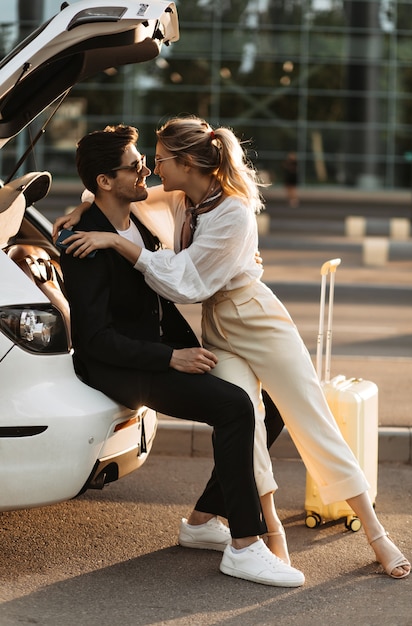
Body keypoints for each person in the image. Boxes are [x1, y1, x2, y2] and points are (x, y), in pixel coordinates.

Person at [54, 119, 410, 580]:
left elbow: (185, 281)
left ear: (187, 164)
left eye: (157, 161)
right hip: (220, 325)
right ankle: (267, 534)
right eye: (147, 162)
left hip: (255, 317)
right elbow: (106, 195)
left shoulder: (234, 213)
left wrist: (114, 242)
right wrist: (82, 211)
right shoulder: (181, 198)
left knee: (310, 416)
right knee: (246, 413)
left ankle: (377, 533)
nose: (151, 169)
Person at [57, 124, 304, 588]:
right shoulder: (82, 241)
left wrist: (189, 348)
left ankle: (202, 521)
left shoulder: (139, 223)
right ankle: (245, 547)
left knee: (267, 411)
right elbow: (94, 341)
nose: (146, 169)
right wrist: (170, 359)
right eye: (135, 165)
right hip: (119, 366)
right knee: (234, 407)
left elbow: (163, 298)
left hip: (154, 355)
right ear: (106, 181)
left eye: (146, 161)